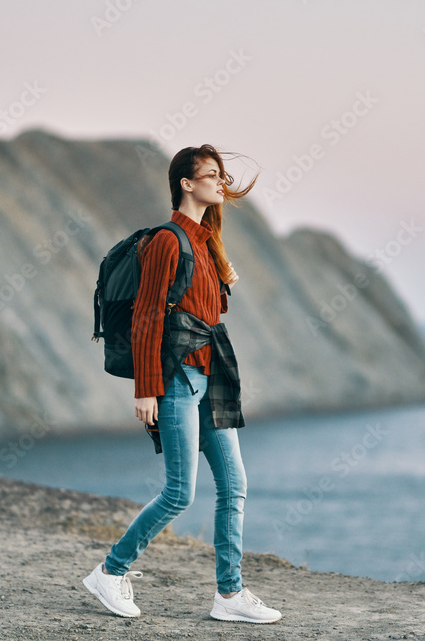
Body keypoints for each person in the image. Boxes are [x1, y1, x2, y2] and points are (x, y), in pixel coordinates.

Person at [83, 144, 282, 624]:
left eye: (220, 175)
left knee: (234, 484)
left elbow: (205, 314)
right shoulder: (167, 241)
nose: (220, 182)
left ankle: (229, 596)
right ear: (186, 184)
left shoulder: (205, 242)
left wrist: (222, 276)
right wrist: (145, 389)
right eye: (210, 175)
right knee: (179, 492)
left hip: (210, 375)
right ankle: (110, 572)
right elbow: (148, 317)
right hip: (175, 381)